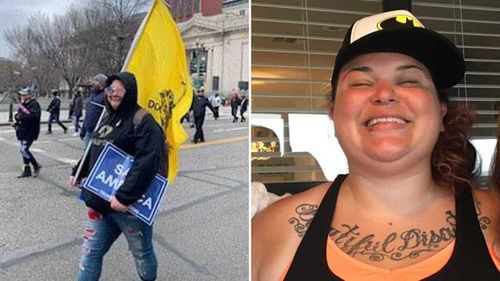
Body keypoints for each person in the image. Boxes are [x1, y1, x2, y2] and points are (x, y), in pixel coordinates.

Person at [252, 10, 500, 281]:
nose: (384, 94)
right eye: (361, 82)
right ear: (333, 113)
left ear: (441, 111)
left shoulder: (496, 219)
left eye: (409, 81)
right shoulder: (270, 233)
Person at [69, 72, 167, 281]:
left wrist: (124, 197)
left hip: (128, 207)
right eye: (110, 90)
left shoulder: (144, 122)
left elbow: (146, 163)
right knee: (91, 252)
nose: (114, 94)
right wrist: (79, 170)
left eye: (119, 90)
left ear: (130, 92)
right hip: (101, 203)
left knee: (142, 253)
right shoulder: (107, 117)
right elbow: (96, 149)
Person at [12, 87, 42, 178]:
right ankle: (27, 170)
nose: (22, 96)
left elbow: (33, 117)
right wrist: (16, 121)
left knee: (24, 150)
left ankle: (36, 165)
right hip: (23, 130)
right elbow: (18, 114)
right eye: (22, 94)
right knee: (23, 150)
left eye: (24, 95)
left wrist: (20, 117)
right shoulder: (24, 104)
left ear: (29, 95)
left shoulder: (34, 104)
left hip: (30, 131)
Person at [80, 74, 107, 148]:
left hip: (97, 131)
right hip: (89, 130)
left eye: (95, 81)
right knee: (86, 154)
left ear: (101, 84)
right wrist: (83, 129)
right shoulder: (92, 95)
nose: (92, 83)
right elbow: (88, 114)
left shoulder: (105, 96)